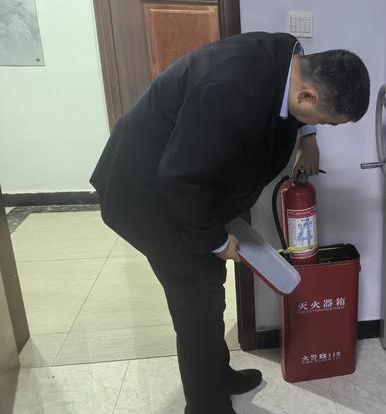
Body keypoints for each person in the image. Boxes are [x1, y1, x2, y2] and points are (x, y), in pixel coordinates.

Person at [90, 31, 370, 414]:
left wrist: (308, 136)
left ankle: (217, 375)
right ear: (307, 96)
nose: (324, 127)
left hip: (180, 179)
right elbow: (179, 179)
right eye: (327, 122)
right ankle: (206, 405)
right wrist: (217, 240)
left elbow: (196, 169)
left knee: (209, 286)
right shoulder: (231, 91)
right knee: (195, 297)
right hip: (145, 194)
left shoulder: (291, 56)